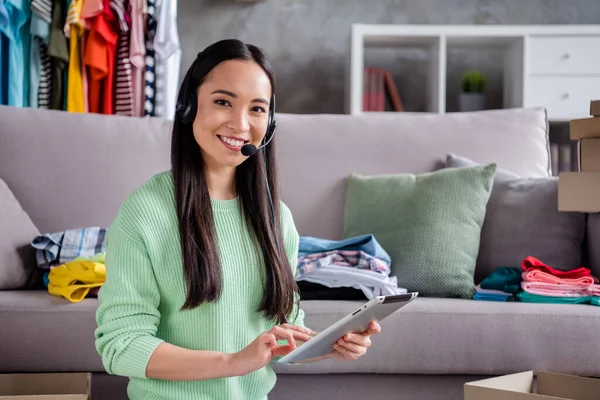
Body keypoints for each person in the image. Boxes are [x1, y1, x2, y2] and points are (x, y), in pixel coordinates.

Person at [94, 38, 381, 400]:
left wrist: (331, 345)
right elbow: (121, 345)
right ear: (187, 107)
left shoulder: (276, 217)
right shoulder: (145, 213)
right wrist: (233, 362)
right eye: (223, 102)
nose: (240, 124)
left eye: (257, 109)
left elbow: (281, 331)